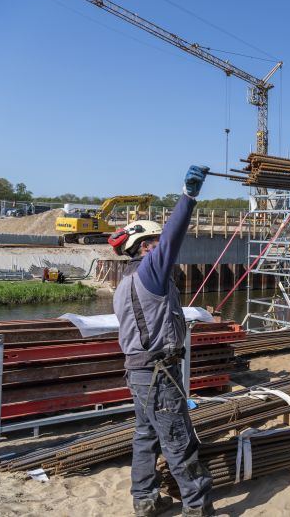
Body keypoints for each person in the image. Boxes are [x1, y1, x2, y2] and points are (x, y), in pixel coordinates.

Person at [109, 166, 215, 517]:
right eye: (153, 245)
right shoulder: (150, 271)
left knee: (145, 437)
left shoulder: (124, 283)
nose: (161, 250)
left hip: (139, 376)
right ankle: (198, 508)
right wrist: (188, 197)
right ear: (143, 247)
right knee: (179, 443)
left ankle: (145, 500)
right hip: (158, 375)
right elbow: (173, 237)